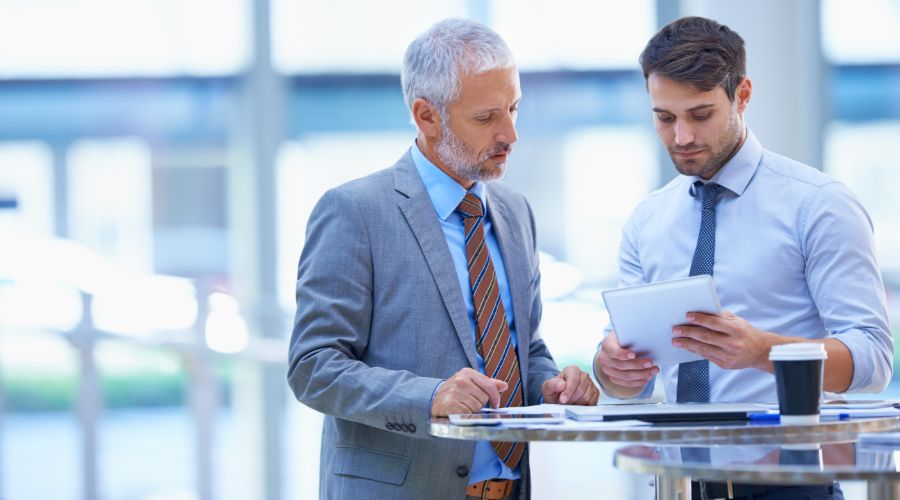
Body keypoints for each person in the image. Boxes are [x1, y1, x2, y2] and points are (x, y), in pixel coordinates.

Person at [288, 18, 599, 500]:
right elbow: (313, 366)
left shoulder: (515, 212)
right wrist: (429, 398)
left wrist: (553, 386)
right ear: (426, 116)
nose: (511, 132)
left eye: (514, 108)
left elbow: (524, 347)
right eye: (487, 117)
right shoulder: (354, 212)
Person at [592, 16, 892, 500]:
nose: (682, 136)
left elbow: (873, 359)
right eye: (665, 118)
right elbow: (632, 386)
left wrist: (761, 351)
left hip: (791, 486)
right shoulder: (647, 220)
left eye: (701, 113)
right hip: (677, 485)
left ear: (743, 95)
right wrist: (613, 370)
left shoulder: (819, 203)